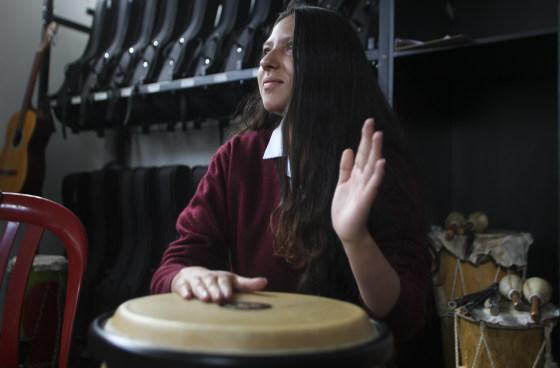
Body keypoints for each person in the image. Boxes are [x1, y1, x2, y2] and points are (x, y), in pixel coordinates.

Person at [151, 4, 431, 345]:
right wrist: (189, 276)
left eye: (290, 48)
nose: (267, 62)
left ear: (331, 63)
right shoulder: (236, 159)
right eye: (266, 50)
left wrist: (355, 238)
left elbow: (407, 313)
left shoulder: (375, 164)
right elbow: (172, 266)